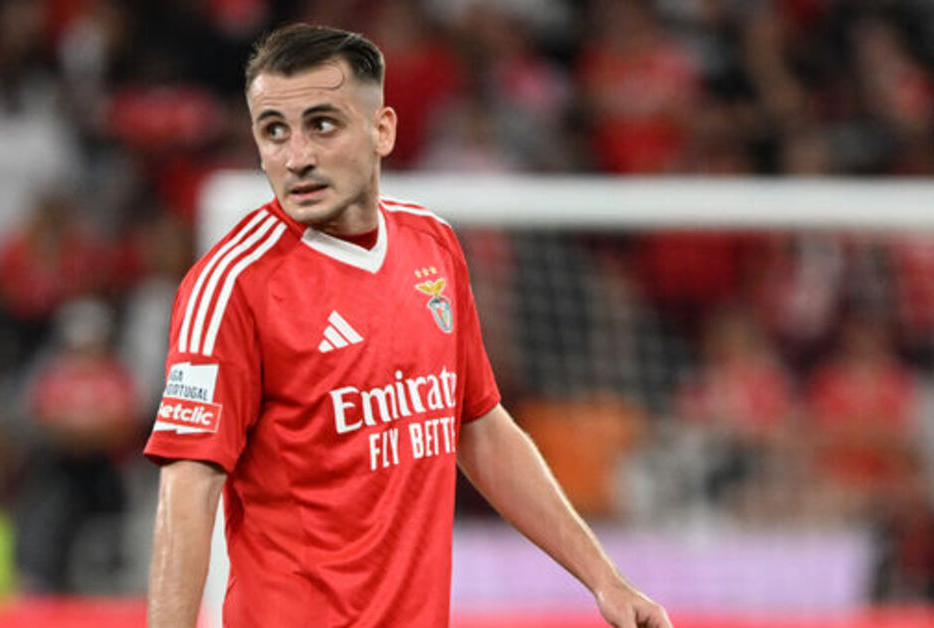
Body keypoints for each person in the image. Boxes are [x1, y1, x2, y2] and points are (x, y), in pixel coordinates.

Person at [144, 23, 672, 628]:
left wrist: (605, 579)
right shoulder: (232, 286)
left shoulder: (432, 245)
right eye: (274, 131)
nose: (297, 157)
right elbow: (188, 489)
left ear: (383, 130)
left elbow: (479, 425)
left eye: (322, 124)